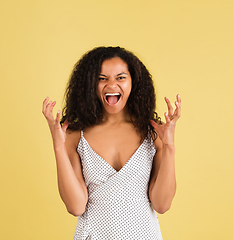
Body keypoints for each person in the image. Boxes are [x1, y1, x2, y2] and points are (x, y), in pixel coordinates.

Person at [42, 46, 181, 239]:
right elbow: (76, 206)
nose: (111, 85)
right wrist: (58, 145)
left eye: (121, 77)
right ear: (90, 84)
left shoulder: (154, 134)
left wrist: (169, 147)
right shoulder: (75, 136)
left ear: (134, 83)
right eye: (102, 78)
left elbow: (162, 204)